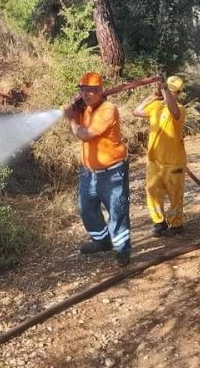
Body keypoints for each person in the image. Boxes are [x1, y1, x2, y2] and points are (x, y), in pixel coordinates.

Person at [61, 71, 131, 267]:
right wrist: (72, 108)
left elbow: (84, 134)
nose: (86, 94)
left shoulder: (108, 110)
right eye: (83, 90)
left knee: (117, 211)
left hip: (112, 172)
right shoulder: (87, 108)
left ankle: (122, 250)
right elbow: (72, 114)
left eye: (91, 91)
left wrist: (71, 119)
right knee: (86, 209)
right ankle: (102, 240)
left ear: (100, 91)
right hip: (88, 172)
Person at [132, 75, 187, 236]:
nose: (166, 93)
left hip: (174, 162)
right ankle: (159, 222)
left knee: (175, 194)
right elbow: (136, 112)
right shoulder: (155, 106)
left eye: (170, 91)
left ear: (177, 93)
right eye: (165, 89)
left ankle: (177, 225)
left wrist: (163, 89)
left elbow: (174, 111)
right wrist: (150, 98)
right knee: (152, 190)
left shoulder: (180, 110)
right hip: (154, 160)